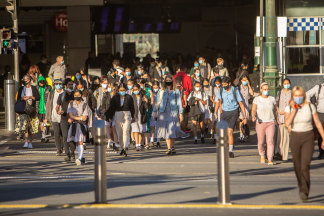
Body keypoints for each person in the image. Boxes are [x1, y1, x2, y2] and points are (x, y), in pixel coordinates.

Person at [285, 86, 324, 202]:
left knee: (304, 165)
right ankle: (301, 184)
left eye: (300, 95)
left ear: (304, 95)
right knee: (297, 166)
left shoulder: (310, 107)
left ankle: (304, 190)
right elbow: (287, 123)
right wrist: (294, 110)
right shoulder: (289, 108)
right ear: (293, 97)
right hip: (295, 137)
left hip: (308, 137)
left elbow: (317, 122)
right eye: (295, 96)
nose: (298, 98)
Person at [153, 75, 188, 155]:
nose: (168, 81)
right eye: (167, 80)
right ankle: (169, 148)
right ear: (164, 81)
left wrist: (180, 114)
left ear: (172, 81)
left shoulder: (176, 90)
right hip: (163, 112)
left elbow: (179, 102)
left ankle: (172, 147)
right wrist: (155, 112)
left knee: (172, 130)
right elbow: (157, 102)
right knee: (166, 131)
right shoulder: (161, 90)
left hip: (173, 112)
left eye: (170, 80)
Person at [215, 76, 247, 158]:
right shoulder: (221, 90)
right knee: (222, 132)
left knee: (230, 131)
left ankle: (230, 150)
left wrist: (244, 116)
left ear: (229, 84)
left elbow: (241, 104)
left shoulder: (235, 90)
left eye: (225, 84)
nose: (223, 86)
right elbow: (219, 101)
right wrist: (217, 111)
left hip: (233, 112)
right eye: (222, 84)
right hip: (224, 112)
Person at [251, 82, 278, 165]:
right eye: (265, 89)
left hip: (270, 122)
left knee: (270, 141)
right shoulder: (257, 99)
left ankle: (270, 158)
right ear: (261, 90)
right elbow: (253, 109)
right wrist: (253, 116)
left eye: (267, 89)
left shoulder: (272, 99)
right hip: (260, 122)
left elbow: (275, 110)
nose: (266, 91)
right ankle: (262, 155)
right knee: (261, 141)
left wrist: (277, 119)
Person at [106, 83, 135, 157]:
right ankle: (122, 148)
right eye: (120, 90)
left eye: (123, 90)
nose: (122, 91)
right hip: (117, 114)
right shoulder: (115, 97)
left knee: (126, 131)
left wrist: (133, 116)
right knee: (119, 133)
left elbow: (132, 107)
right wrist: (109, 117)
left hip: (127, 113)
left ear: (126, 90)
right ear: (118, 90)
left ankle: (125, 147)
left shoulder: (129, 97)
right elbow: (111, 108)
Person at [67, 90, 91, 165]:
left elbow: (84, 118)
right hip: (74, 125)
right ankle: (82, 156)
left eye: (78, 95)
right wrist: (79, 117)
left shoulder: (85, 104)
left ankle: (79, 158)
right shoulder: (71, 104)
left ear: (81, 95)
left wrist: (75, 118)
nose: (76, 97)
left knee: (80, 141)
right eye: (75, 95)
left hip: (81, 125)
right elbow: (70, 116)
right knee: (77, 141)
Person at [16, 75, 40, 149]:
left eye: (26, 79)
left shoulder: (33, 88)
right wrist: (23, 98)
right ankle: (26, 141)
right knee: (25, 125)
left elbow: (38, 97)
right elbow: (17, 98)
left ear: (29, 80)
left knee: (32, 126)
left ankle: (30, 142)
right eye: (24, 79)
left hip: (32, 108)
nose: (25, 80)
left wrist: (31, 97)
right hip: (23, 109)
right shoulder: (21, 88)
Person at [45, 79, 65, 156]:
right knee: (56, 132)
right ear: (54, 85)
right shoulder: (52, 93)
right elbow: (48, 105)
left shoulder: (65, 93)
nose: (58, 85)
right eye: (56, 84)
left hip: (63, 116)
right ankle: (59, 149)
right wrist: (47, 116)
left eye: (60, 84)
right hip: (54, 115)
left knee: (63, 133)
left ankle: (63, 146)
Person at [57, 78, 75, 161]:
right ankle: (67, 154)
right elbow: (57, 107)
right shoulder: (62, 95)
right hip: (64, 118)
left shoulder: (76, 95)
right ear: (65, 86)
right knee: (65, 137)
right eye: (69, 85)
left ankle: (72, 152)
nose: (71, 86)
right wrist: (58, 111)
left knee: (72, 137)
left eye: (72, 85)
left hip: (74, 119)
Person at [306, 82, 324, 159]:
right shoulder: (318, 87)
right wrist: (310, 106)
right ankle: (322, 152)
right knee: (320, 133)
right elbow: (307, 94)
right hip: (320, 113)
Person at [275, 78, 292, 161]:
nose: (286, 84)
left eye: (288, 83)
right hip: (280, 118)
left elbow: (295, 105)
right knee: (279, 137)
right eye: (285, 83)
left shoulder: (292, 93)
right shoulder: (279, 93)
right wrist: (277, 114)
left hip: (288, 118)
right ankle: (278, 154)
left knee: (286, 138)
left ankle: (284, 156)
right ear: (282, 84)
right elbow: (276, 104)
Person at [238, 75, 254, 142]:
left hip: (246, 105)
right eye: (243, 80)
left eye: (246, 80)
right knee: (241, 120)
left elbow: (252, 93)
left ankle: (244, 134)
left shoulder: (248, 87)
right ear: (241, 81)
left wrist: (249, 85)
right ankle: (241, 135)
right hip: (240, 105)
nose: (245, 81)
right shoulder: (238, 87)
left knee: (245, 121)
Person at [37, 75, 52, 143]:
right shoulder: (37, 88)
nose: (42, 84)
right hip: (39, 107)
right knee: (41, 122)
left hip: (47, 107)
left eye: (43, 82)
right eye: (40, 83)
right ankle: (43, 135)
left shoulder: (48, 87)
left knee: (46, 122)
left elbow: (52, 95)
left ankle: (45, 135)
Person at [209, 76, 222, 144]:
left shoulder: (222, 88)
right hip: (214, 105)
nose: (217, 84)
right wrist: (215, 102)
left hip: (221, 105)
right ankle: (214, 137)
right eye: (216, 82)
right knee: (213, 122)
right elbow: (210, 97)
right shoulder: (212, 88)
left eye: (218, 82)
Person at [150, 81, 161, 148]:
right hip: (152, 111)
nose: (155, 88)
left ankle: (158, 140)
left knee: (158, 126)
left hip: (159, 111)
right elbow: (151, 103)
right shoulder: (151, 93)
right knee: (152, 126)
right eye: (154, 87)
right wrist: (151, 96)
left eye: (156, 87)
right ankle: (152, 139)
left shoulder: (161, 93)